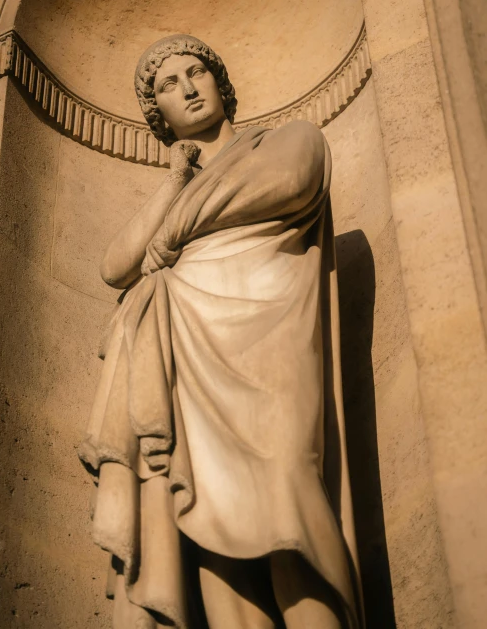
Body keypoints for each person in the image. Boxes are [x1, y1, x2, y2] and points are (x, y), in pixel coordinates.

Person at [79, 35, 363, 629]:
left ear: (218, 81)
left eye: (196, 71)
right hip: (188, 350)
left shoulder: (286, 139)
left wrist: (167, 239)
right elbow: (114, 266)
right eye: (167, 85)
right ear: (160, 115)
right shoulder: (178, 188)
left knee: (289, 496)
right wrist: (173, 185)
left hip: (270, 334)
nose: (187, 87)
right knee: (203, 514)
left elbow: (294, 177)